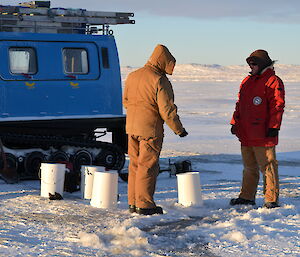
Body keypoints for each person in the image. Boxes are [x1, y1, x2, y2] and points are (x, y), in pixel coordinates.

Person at [123, 44, 188, 215]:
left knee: (135, 165)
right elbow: (166, 110)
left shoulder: (132, 76)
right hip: (149, 130)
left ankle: (133, 203)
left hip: (131, 127)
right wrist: (179, 129)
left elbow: (126, 101)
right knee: (148, 166)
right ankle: (145, 205)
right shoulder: (159, 79)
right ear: (163, 61)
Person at [230, 49, 285, 209]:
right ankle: (247, 197)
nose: (251, 66)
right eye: (250, 63)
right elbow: (239, 105)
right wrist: (235, 123)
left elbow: (278, 106)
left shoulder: (273, 81)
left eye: (254, 63)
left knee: (268, 166)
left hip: (264, 133)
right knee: (249, 167)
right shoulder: (247, 81)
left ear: (262, 64)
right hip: (246, 133)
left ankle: (271, 199)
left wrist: (274, 127)